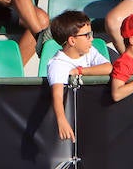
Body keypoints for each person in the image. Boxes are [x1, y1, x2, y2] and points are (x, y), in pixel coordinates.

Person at [47, 10, 112, 142]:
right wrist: (61, 119)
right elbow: (57, 94)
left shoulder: (90, 51)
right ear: (72, 40)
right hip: (76, 120)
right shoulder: (57, 64)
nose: (92, 39)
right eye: (87, 35)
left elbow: (108, 68)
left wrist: (80, 71)